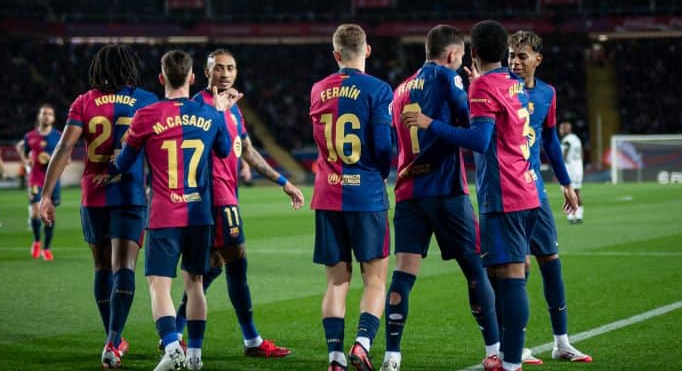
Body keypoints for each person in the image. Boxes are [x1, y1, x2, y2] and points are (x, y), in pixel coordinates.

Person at [403, 20, 566, 371]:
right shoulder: (514, 83)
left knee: (509, 280)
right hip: (526, 189)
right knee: (502, 275)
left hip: (504, 193)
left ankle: (510, 362)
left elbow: (478, 140)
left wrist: (431, 123)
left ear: (473, 52)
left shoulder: (482, 88)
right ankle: (511, 356)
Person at [108, 49, 238, 371]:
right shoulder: (208, 115)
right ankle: (195, 355)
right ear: (193, 78)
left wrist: (117, 153)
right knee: (194, 283)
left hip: (165, 214)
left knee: (159, 284)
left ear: (162, 78)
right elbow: (224, 151)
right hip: (199, 214)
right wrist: (220, 112)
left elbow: (123, 164)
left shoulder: (147, 116)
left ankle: (171, 346)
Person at [381, 25, 501, 371]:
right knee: (475, 270)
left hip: (408, 194)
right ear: (452, 55)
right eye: (461, 57)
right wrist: (477, 86)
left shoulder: (400, 90)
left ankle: (392, 356)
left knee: (403, 274)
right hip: (447, 191)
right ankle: (494, 350)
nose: (461, 63)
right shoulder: (449, 79)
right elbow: (471, 129)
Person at [172, 49, 304, 358]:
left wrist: (283, 182)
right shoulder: (197, 107)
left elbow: (246, 149)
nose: (226, 73)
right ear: (206, 73)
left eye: (230, 68)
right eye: (219, 68)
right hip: (214, 199)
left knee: (210, 269)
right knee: (235, 265)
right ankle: (252, 341)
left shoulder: (232, 108)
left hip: (226, 196)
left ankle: (175, 332)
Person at [40, 44, 158, 368]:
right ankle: (113, 341)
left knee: (102, 268)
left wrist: (46, 195)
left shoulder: (84, 102)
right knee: (125, 267)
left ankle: (112, 337)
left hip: (93, 195)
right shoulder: (146, 100)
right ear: (129, 68)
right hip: (130, 193)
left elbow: (64, 149)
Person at [310, 24, 394, 371]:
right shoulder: (378, 89)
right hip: (367, 195)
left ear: (335, 54)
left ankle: (335, 356)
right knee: (374, 279)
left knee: (336, 281)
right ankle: (361, 344)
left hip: (328, 193)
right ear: (367, 51)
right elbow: (385, 147)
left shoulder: (317, 89)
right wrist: (381, 171)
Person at [507, 31, 592, 364]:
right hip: (509, 192)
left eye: (522, 56)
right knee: (519, 267)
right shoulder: (500, 88)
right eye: (511, 55)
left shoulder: (547, 94)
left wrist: (566, 182)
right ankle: (518, 345)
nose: (515, 61)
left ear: (537, 60)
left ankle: (562, 342)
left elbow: (550, 141)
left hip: (535, 190)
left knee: (551, 263)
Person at [17, 105, 62, 260]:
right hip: (35, 180)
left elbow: (66, 158)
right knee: (36, 212)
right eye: (44, 113)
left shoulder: (59, 136)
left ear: (53, 118)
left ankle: (47, 248)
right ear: (39, 116)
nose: (46, 116)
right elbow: (24, 153)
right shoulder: (29, 136)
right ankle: (37, 241)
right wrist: (27, 161)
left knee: (50, 215)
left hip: (53, 180)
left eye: (50, 114)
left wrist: (52, 160)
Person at [559, 122, 584, 224]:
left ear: (566, 129)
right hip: (578, 165)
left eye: (561, 128)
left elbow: (565, 152)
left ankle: (570, 216)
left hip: (570, 166)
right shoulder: (576, 138)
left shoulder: (567, 140)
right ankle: (578, 215)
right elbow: (581, 152)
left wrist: (560, 167)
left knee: (567, 191)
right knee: (577, 191)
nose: (560, 131)